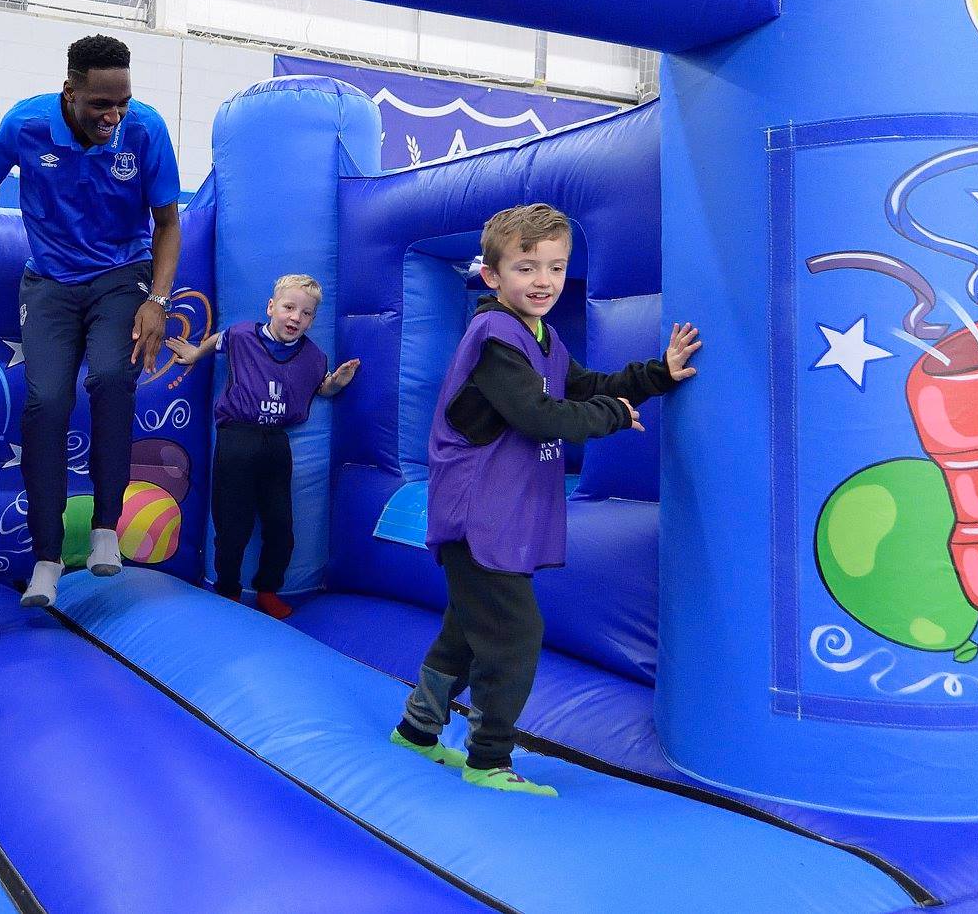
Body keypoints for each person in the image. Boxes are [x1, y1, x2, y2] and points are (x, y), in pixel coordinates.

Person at [389, 204, 699, 797]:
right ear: (492, 276)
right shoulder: (494, 338)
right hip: (477, 518)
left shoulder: (540, 337)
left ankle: (417, 729)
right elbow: (537, 415)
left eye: (555, 267)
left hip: (499, 519)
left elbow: (582, 386)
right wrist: (612, 416)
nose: (544, 281)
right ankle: (488, 757)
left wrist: (657, 375)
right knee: (516, 635)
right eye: (527, 267)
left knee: (465, 629)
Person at [0, 34, 181, 607]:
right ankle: (46, 557)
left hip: (123, 274)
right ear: (70, 93)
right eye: (100, 103)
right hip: (50, 282)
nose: (113, 115)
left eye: (122, 101)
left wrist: (159, 301)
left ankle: (104, 527)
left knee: (112, 378)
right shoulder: (25, 124)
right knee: (45, 403)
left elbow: (168, 223)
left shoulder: (144, 130)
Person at [166, 273, 359, 619]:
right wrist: (196, 352)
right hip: (237, 437)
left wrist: (335, 383)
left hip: (275, 442)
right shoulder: (243, 335)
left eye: (306, 313)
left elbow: (321, 388)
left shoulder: (313, 357)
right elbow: (218, 340)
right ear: (272, 307)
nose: (295, 318)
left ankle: (269, 588)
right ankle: (228, 589)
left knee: (281, 525)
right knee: (232, 524)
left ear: (313, 320)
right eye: (289, 308)